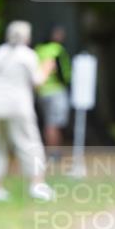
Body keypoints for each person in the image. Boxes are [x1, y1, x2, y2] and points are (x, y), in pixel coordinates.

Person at [0, 21, 57, 201]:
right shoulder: (27, 55)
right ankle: (37, 184)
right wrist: (47, 68)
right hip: (18, 106)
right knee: (29, 144)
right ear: (27, 37)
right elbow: (37, 81)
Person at [35, 25, 71, 153]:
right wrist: (66, 83)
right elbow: (62, 72)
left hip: (41, 92)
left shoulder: (38, 49)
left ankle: (51, 151)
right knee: (53, 124)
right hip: (56, 91)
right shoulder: (57, 49)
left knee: (48, 123)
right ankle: (54, 153)